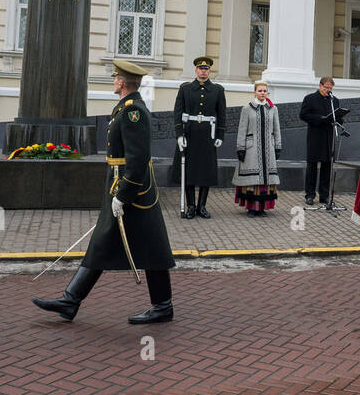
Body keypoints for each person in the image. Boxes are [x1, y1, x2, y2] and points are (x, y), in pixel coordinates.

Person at [33, 59, 176, 324]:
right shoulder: (125, 107)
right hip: (120, 185)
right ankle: (70, 301)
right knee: (103, 243)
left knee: (151, 246)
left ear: (122, 82)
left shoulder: (134, 111)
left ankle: (163, 306)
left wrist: (123, 195)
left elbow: (137, 159)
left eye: (115, 78)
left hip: (134, 192)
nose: (114, 81)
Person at [173, 55, 226, 219]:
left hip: (207, 135)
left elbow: (222, 114)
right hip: (190, 133)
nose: (204, 71)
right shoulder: (185, 88)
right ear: (196, 70)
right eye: (201, 69)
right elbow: (177, 112)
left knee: (206, 170)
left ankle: (202, 206)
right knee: (188, 170)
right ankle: (190, 206)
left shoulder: (217, 90)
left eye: (206, 69)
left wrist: (220, 135)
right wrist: (179, 134)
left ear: (209, 71)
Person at [233, 80, 282, 217]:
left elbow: (277, 129)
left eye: (264, 91)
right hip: (252, 148)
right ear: (254, 92)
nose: (262, 93)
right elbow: (242, 129)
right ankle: (251, 208)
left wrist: (278, 146)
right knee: (252, 179)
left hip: (268, 148)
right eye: (260, 90)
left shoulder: (273, 108)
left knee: (266, 179)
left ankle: (262, 207)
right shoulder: (247, 109)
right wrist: (241, 147)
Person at [299, 76, 339, 210]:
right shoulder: (310, 99)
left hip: (328, 136)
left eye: (330, 88)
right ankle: (310, 195)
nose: (328, 90)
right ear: (320, 86)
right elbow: (303, 115)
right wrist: (319, 119)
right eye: (326, 87)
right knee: (312, 166)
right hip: (315, 136)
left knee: (327, 166)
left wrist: (338, 119)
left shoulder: (334, 101)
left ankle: (324, 195)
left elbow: (338, 117)